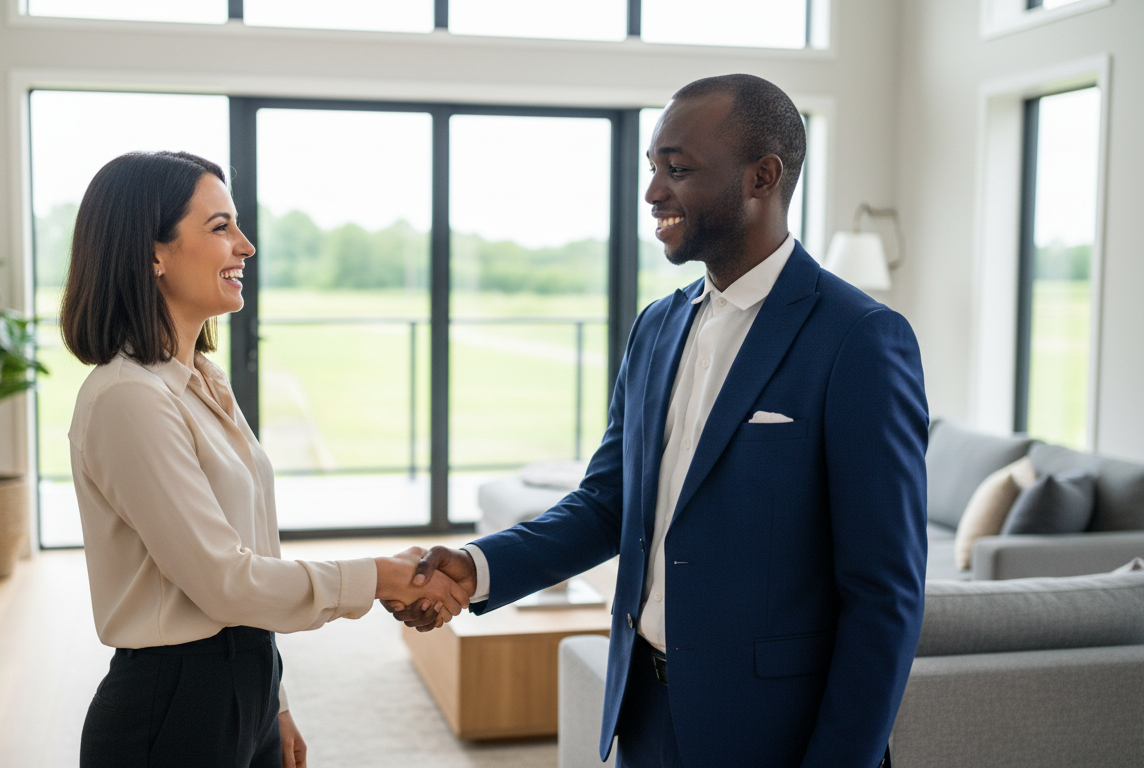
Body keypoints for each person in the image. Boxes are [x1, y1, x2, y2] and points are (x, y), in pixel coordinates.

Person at [388, 74, 928, 768]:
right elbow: (607, 503)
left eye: (677, 170)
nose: (652, 193)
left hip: (774, 734)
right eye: (652, 170)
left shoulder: (860, 339)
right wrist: (476, 567)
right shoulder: (657, 326)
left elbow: (884, 595)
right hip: (644, 715)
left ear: (762, 178)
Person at [61, 150, 469, 768]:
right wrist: (383, 575)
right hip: (172, 710)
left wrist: (272, 700)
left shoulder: (202, 379)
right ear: (153, 253)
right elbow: (224, 581)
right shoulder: (128, 398)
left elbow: (253, 553)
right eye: (220, 227)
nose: (246, 246)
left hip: (242, 681)